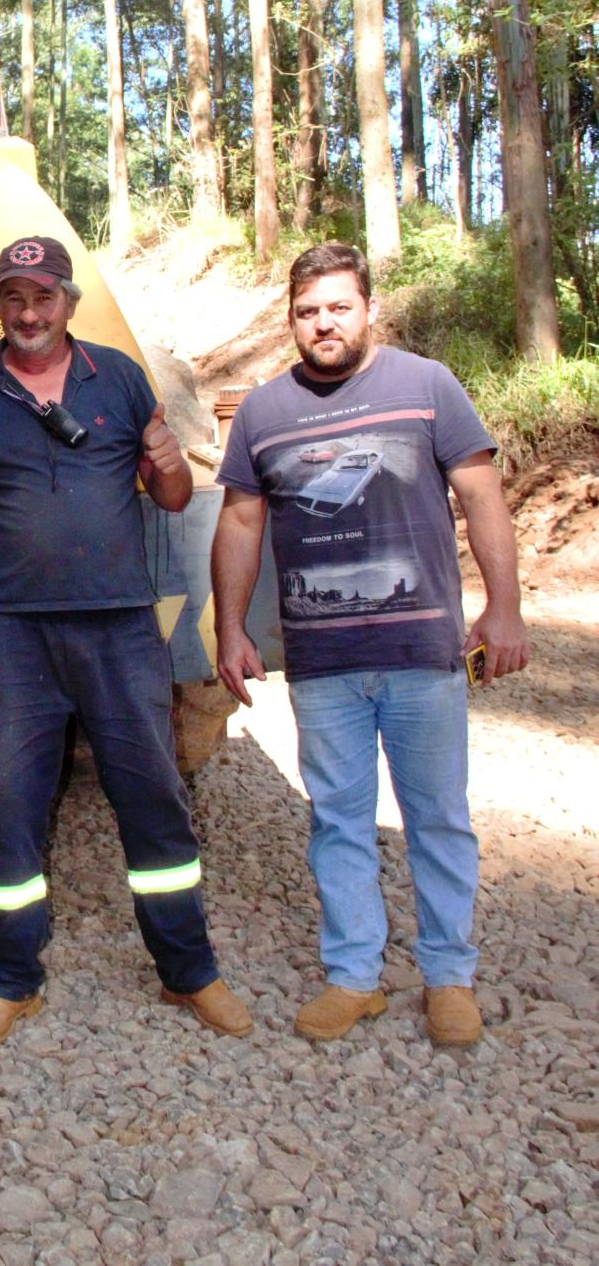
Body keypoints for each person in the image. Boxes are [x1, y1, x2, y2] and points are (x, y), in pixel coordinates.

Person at [0, 235, 252, 1050]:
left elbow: (173, 498)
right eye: (13, 297)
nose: (28, 312)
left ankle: (188, 970)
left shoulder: (118, 375)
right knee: (5, 804)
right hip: (11, 633)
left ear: (67, 302)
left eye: (43, 297)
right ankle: (12, 977)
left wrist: (170, 461)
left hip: (117, 625)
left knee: (151, 796)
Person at [212, 241, 528, 1047]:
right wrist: (229, 625)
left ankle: (448, 977)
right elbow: (242, 520)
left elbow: (482, 494)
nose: (323, 324)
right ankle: (354, 976)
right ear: (292, 320)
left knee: (437, 819)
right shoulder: (263, 412)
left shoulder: (426, 386)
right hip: (320, 665)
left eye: (338, 307)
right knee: (338, 821)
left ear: (369, 309)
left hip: (421, 650)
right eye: (308, 311)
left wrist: (504, 607)